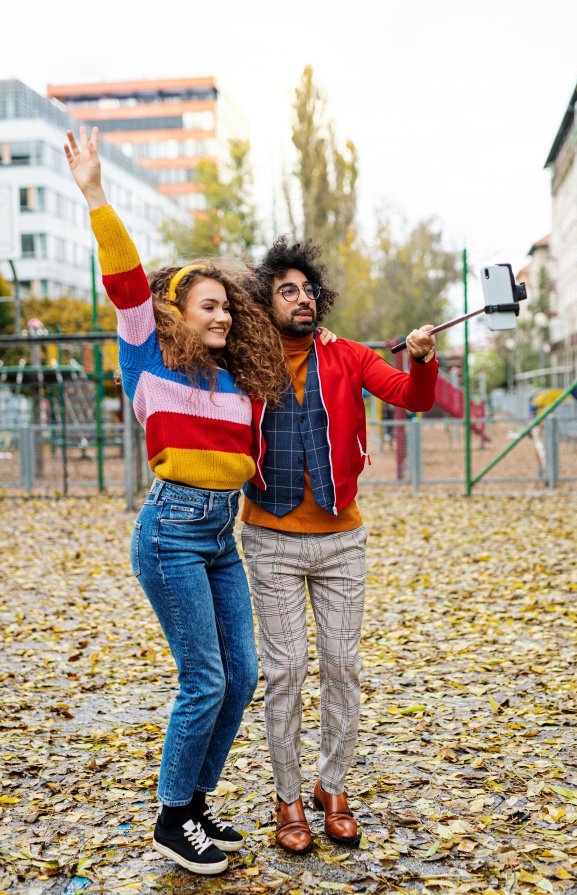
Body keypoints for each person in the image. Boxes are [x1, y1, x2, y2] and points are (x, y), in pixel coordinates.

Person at [64, 127, 294, 876]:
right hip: (169, 532)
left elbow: (254, 451)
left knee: (243, 673)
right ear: (176, 310)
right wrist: (96, 194)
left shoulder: (239, 381)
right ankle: (171, 819)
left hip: (219, 534)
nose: (223, 317)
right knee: (204, 677)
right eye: (208, 306)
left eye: (228, 307)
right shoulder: (147, 355)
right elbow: (126, 279)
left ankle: (194, 804)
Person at [239, 237, 438, 854]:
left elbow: (413, 398)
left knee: (343, 665)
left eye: (309, 290)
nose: (303, 299)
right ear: (265, 302)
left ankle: (333, 787)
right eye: (287, 290)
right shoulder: (245, 360)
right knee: (286, 670)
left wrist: (424, 359)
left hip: (341, 540)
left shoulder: (348, 355)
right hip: (269, 538)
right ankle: (288, 797)